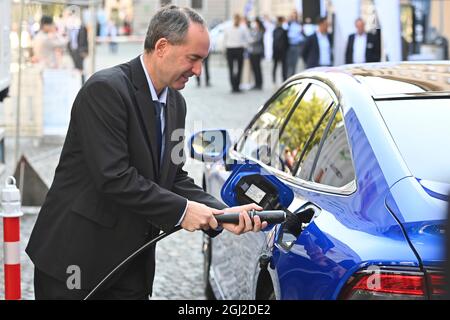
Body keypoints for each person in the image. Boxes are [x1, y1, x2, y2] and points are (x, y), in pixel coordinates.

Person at [26, 5, 266, 300]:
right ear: (162, 46)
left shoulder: (177, 103)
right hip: (76, 263)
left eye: (203, 60)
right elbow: (114, 177)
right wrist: (183, 211)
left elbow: (174, 176)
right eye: (193, 58)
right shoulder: (105, 90)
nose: (198, 70)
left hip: (131, 268)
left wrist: (222, 213)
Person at [223, 14, 250, 93]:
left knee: (231, 69)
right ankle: (237, 86)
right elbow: (248, 39)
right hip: (239, 49)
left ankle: (233, 86)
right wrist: (245, 46)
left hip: (230, 49)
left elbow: (224, 39)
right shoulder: (243, 27)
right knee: (239, 68)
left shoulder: (227, 27)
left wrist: (224, 50)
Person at [66, 11, 88, 84]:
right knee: (74, 67)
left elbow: (85, 40)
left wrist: (85, 51)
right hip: (71, 51)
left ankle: (82, 83)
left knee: (81, 68)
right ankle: (74, 83)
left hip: (80, 51)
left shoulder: (82, 28)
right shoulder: (68, 29)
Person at [285, 10, 305, 78]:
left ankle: (292, 77)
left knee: (294, 64)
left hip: (297, 46)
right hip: (289, 46)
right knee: (288, 64)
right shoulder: (288, 24)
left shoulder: (299, 24)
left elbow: (301, 36)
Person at [248, 18, 265, 90]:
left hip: (257, 52)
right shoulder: (253, 30)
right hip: (252, 52)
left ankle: (259, 83)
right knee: (254, 68)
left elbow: (256, 40)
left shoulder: (260, 31)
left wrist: (250, 40)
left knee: (257, 68)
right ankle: (256, 83)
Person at [272, 16, 289, 84]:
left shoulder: (275, 31)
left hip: (278, 51)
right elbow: (287, 42)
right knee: (282, 66)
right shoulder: (282, 31)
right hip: (282, 52)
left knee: (277, 66)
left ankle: (275, 79)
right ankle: (283, 79)